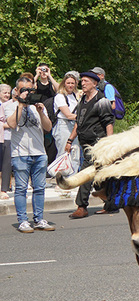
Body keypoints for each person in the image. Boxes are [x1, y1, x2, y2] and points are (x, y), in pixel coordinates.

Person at [6, 74, 54, 233]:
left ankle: (39, 219)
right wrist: (21, 104)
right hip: (20, 154)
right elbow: (12, 124)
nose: (27, 93)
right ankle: (23, 221)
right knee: (21, 189)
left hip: (39, 152)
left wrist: (40, 112)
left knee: (39, 188)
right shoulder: (11, 106)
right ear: (16, 91)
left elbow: (48, 127)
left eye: (30, 90)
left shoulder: (38, 106)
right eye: (23, 90)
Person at [68, 71, 115, 219]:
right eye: (82, 81)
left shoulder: (102, 100)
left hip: (97, 144)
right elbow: (78, 122)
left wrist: (109, 143)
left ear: (95, 83)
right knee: (99, 175)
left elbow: (109, 122)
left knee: (85, 173)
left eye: (86, 81)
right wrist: (70, 140)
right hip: (84, 142)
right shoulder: (83, 100)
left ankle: (81, 206)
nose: (82, 83)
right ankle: (110, 202)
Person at [52, 72, 81, 190]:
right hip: (63, 124)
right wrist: (84, 117)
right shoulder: (60, 96)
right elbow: (68, 114)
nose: (70, 85)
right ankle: (60, 181)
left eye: (72, 83)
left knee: (75, 152)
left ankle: (72, 180)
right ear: (64, 83)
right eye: (68, 83)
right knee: (63, 153)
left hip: (74, 125)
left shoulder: (75, 96)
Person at [0, 83, 11, 198]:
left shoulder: (11, 105)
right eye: (5, 93)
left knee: (7, 164)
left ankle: (4, 189)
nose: (7, 95)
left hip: (8, 137)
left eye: (8, 93)